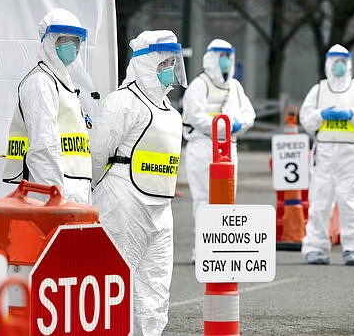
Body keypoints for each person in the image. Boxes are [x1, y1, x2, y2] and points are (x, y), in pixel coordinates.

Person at [90, 30, 187, 335]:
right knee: (116, 280)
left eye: (173, 61)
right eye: (164, 62)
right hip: (123, 202)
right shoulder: (123, 102)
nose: (170, 68)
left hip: (161, 207)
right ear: (146, 63)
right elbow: (97, 153)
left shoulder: (172, 112)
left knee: (155, 286)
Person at [299, 44, 354, 266]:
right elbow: (305, 120)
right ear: (327, 63)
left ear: (349, 63)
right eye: (335, 61)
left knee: (352, 204)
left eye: (342, 61)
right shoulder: (318, 90)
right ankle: (315, 248)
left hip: (351, 156)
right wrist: (321, 115)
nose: (339, 66)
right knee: (319, 203)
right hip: (324, 155)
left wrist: (352, 115)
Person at [3, 8, 92, 204]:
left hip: (75, 192)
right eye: (66, 40)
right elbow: (44, 147)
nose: (73, 46)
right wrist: (57, 197)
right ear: (51, 42)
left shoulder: (65, 84)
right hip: (53, 194)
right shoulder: (41, 82)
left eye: (77, 41)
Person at [182, 39, 255, 260]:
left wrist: (238, 125)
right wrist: (225, 125)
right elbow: (195, 117)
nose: (225, 61)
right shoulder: (199, 85)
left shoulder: (235, 86)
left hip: (228, 147)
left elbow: (248, 114)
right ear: (212, 58)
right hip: (203, 145)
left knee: (226, 199)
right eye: (221, 56)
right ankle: (202, 250)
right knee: (204, 199)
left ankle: (220, 249)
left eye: (228, 56)